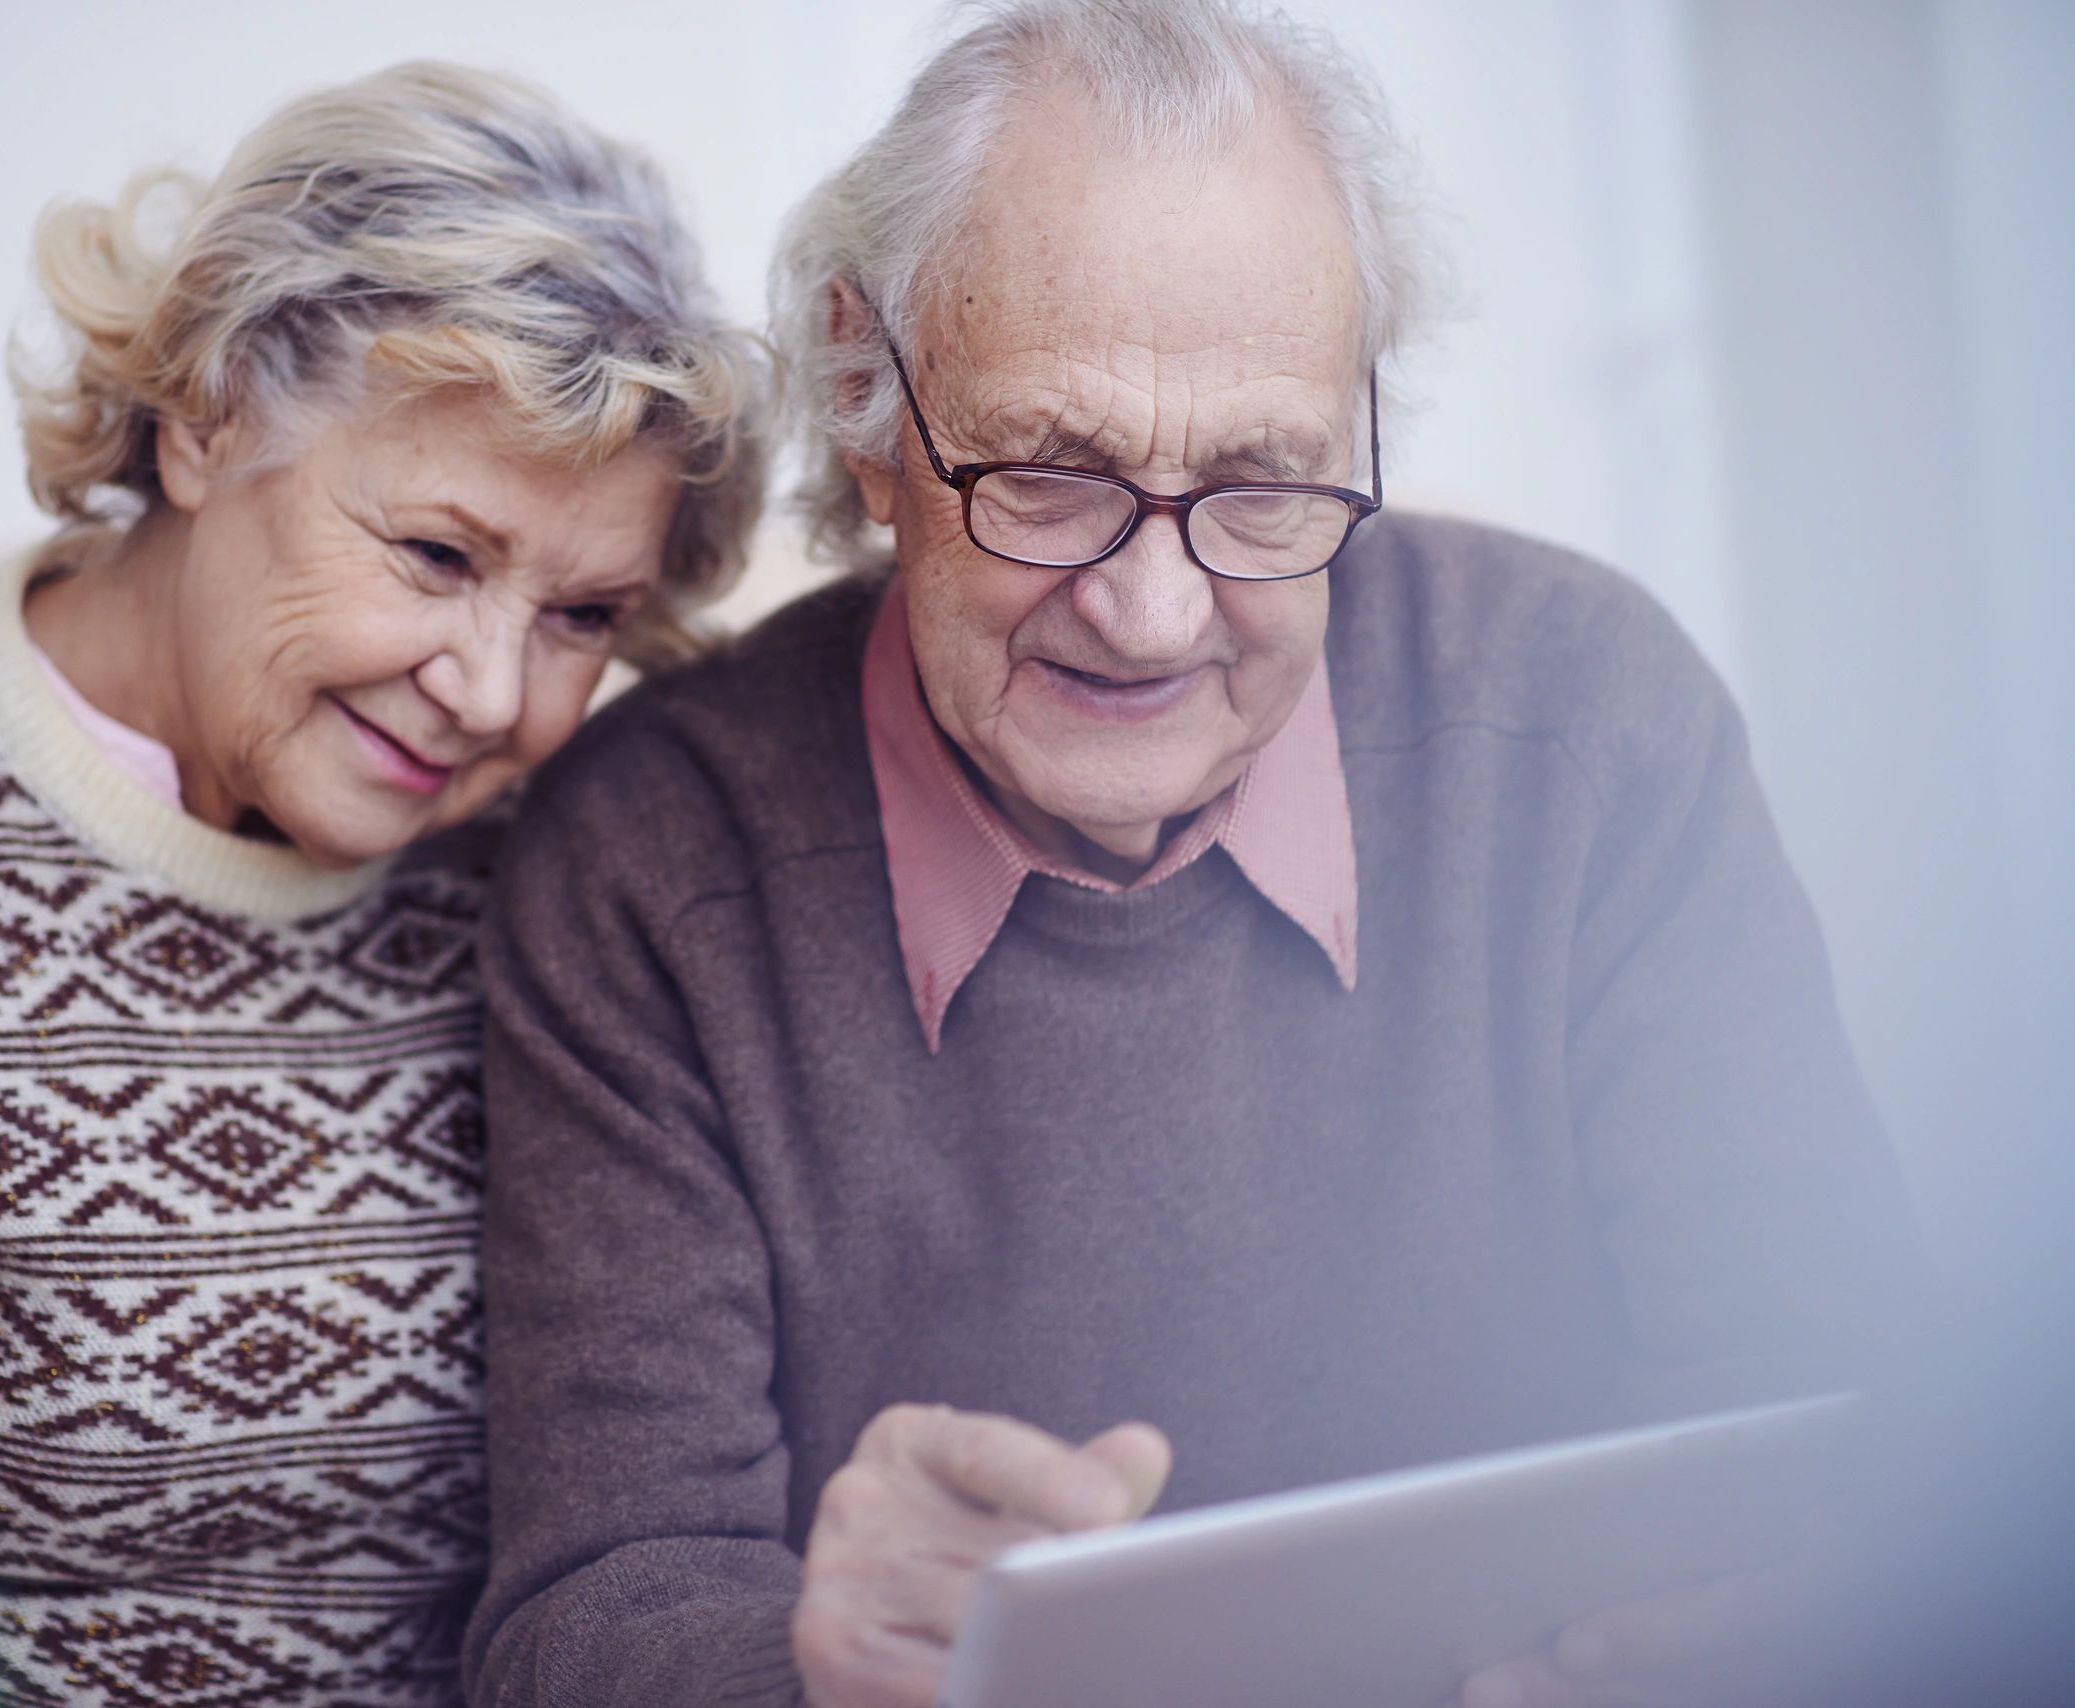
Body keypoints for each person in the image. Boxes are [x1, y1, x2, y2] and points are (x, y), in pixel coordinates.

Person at [465, 3, 1920, 1705]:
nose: (1150, 616)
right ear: (872, 406)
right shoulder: (647, 859)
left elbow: (1851, 1432)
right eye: (1049, 476)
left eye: (1260, 483)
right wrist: (809, 1671)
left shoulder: (1589, 727)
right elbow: (581, 1621)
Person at [0, 61, 766, 1707]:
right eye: (438, 557)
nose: (491, 691)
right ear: (206, 419)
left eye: (582, 616)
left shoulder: (559, 873)